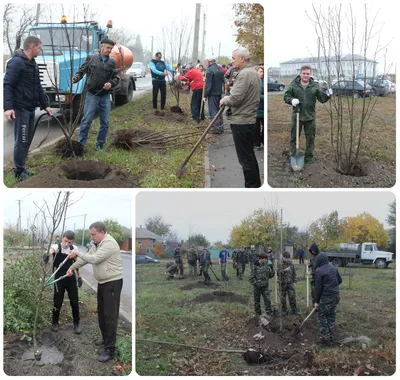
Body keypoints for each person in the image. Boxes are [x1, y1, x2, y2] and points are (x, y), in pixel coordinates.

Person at [67, 221, 123, 362]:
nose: (92, 237)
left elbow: (95, 259)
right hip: (103, 282)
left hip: (113, 283)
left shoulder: (109, 243)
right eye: (91, 235)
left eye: (93, 234)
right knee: (102, 314)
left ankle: (110, 350)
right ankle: (105, 339)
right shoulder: (97, 244)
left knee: (110, 316)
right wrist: (72, 267)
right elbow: (84, 259)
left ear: (102, 233)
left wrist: (77, 252)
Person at [4, 36, 53, 182]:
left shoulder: (33, 64)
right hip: (20, 108)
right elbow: (7, 85)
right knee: (22, 140)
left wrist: (46, 105)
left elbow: (38, 87)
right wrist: (8, 107)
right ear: (31, 46)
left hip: (31, 108)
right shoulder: (16, 63)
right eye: (39, 47)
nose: (40, 50)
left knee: (27, 140)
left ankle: (22, 167)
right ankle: (18, 172)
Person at [220, 47, 262, 188]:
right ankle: (254, 184)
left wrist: (225, 100)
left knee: (245, 158)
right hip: (247, 119)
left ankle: (252, 186)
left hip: (242, 121)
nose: (232, 61)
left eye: (233, 58)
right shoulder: (254, 73)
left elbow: (236, 98)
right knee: (248, 156)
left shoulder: (245, 74)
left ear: (242, 59)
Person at [71, 38, 119, 151]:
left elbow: (116, 78)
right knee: (87, 120)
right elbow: (82, 71)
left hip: (105, 96)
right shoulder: (91, 58)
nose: (109, 50)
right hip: (92, 94)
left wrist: (111, 84)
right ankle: (81, 144)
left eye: (111, 49)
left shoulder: (112, 62)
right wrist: (76, 78)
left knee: (105, 122)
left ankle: (100, 144)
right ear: (101, 47)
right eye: (107, 48)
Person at [283, 65, 332, 164]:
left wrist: (328, 95)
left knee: (310, 138)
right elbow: (286, 96)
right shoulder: (294, 85)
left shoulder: (314, 86)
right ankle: (293, 155)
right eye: (304, 73)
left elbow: (321, 99)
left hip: (310, 117)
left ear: (310, 74)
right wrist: (292, 100)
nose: (306, 75)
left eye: (308, 74)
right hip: (297, 116)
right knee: (294, 137)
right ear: (300, 73)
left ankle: (308, 157)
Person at [43, 230, 82, 334]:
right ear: (62, 238)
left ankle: (76, 324)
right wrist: (46, 255)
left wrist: (79, 277)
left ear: (72, 242)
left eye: (69, 242)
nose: (66, 244)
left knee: (74, 301)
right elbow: (50, 250)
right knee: (57, 301)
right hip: (59, 278)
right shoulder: (57, 247)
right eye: (65, 241)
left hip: (71, 278)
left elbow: (77, 263)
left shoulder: (74, 249)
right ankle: (55, 322)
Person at [314, 253, 342, 345]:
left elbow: (318, 289)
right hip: (336, 295)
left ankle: (325, 339)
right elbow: (340, 280)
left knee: (321, 316)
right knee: (331, 315)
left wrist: (317, 301)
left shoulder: (319, 271)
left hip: (327, 297)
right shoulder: (333, 268)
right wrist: (332, 286)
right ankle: (332, 335)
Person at [204, 56, 225, 134]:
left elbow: (208, 85)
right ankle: (220, 127)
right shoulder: (220, 69)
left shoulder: (209, 70)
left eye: (207, 61)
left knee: (213, 111)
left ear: (210, 61)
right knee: (219, 110)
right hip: (219, 92)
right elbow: (223, 82)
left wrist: (205, 95)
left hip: (212, 93)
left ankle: (216, 129)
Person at [278, 251, 300, 316]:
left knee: (292, 297)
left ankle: (294, 311)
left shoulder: (291, 264)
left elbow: (294, 274)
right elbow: (277, 274)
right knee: (283, 298)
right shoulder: (280, 264)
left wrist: (295, 281)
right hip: (282, 283)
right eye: (286, 258)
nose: (287, 259)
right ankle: (284, 311)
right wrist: (284, 270)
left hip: (290, 283)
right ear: (283, 257)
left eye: (288, 258)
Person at [254, 66, 264, 150]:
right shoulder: (254, 82)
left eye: (262, 71)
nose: (262, 73)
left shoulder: (264, 82)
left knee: (264, 127)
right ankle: (256, 144)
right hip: (256, 108)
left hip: (263, 108)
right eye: (260, 71)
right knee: (256, 128)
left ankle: (263, 141)